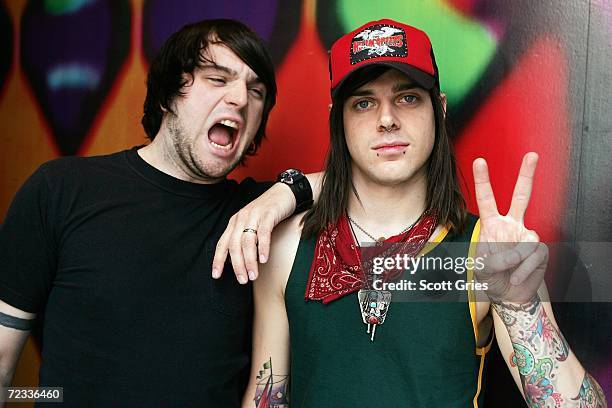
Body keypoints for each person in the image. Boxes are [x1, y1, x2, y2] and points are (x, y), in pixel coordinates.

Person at [240, 19, 607, 407]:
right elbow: (266, 398)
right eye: (363, 102)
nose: (386, 119)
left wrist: (521, 306)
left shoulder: (487, 252)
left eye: (408, 97)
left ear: (439, 108)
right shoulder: (287, 247)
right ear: (338, 119)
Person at [0, 19, 314, 407]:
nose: (240, 99)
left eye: (257, 90)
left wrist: (285, 193)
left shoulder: (255, 215)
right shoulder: (62, 189)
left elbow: (360, 180)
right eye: (218, 78)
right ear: (168, 94)